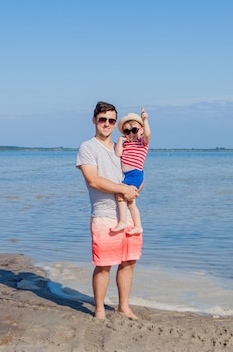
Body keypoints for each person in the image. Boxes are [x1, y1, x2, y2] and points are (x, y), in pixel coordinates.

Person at [75, 101, 143, 320]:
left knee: (129, 262)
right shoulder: (88, 147)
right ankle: (100, 310)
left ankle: (124, 307)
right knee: (103, 265)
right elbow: (93, 180)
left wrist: (135, 188)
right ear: (94, 120)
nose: (106, 124)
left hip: (127, 214)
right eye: (102, 119)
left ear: (116, 123)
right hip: (104, 215)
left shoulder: (119, 148)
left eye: (111, 120)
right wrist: (123, 189)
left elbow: (132, 171)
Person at [111, 107, 151, 235]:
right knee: (131, 202)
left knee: (120, 195)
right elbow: (117, 154)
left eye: (134, 130)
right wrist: (120, 140)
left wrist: (145, 119)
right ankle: (138, 225)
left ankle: (123, 221)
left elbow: (148, 134)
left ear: (141, 130)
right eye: (127, 131)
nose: (131, 134)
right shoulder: (125, 143)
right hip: (126, 175)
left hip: (135, 174)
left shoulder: (142, 142)